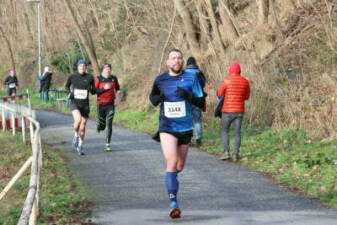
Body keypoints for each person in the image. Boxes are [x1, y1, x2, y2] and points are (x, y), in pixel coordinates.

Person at [149, 49, 204, 219]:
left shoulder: (191, 78)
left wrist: (187, 95)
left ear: (182, 61)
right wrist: (158, 99)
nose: (177, 60)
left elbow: (201, 102)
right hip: (167, 127)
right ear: (167, 62)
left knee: (179, 166)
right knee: (171, 161)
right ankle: (173, 203)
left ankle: (171, 177)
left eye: (179, 58)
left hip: (186, 127)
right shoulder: (160, 80)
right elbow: (152, 99)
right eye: (173, 58)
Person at [217, 62, 250, 162]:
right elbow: (247, 97)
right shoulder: (245, 82)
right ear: (239, 71)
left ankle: (226, 152)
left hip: (227, 111)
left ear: (230, 70)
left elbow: (219, 94)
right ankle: (235, 154)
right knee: (237, 133)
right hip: (239, 111)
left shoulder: (227, 80)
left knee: (224, 131)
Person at [65, 59, 96, 155]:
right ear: (77, 67)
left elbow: (93, 91)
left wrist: (95, 89)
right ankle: (75, 135)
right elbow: (66, 87)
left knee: (82, 127)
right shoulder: (72, 77)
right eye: (80, 66)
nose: (82, 67)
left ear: (86, 67)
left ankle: (80, 145)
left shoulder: (90, 77)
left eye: (84, 66)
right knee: (78, 120)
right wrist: (69, 93)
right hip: (75, 103)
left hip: (85, 105)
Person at [95, 63, 121, 152]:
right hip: (101, 104)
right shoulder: (98, 79)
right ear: (103, 70)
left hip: (110, 104)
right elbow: (94, 91)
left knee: (109, 124)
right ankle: (99, 126)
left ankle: (107, 144)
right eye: (106, 69)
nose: (108, 70)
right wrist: (104, 89)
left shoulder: (114, 78)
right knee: (103, 125)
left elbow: (117, 87)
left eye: (109, 69)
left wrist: (118, 91)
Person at [184, 56, 206, 146]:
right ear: (194, 63)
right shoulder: (199, 72)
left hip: (186, 99)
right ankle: (198, 138)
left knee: (187, 120)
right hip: (197, 98)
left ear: (187, 64)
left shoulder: (184, 73)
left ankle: (188, 139)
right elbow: (203, 84)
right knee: (197, 120)